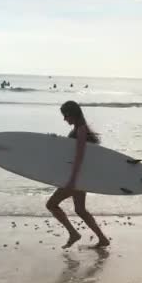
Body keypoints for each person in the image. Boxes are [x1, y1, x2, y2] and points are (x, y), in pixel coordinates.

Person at [46, 101, 110, 249]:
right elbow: (70, 151)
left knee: (51, 204)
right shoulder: (80, 129)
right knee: (80, 210)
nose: (64, 119)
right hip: (82, 178)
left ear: (73, 114)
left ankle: (73, 233)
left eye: (65, 116)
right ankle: (102, 239)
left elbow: (79, 157)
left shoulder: (81, 130)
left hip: (77, 178)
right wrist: (56, 141)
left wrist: (72, 180)